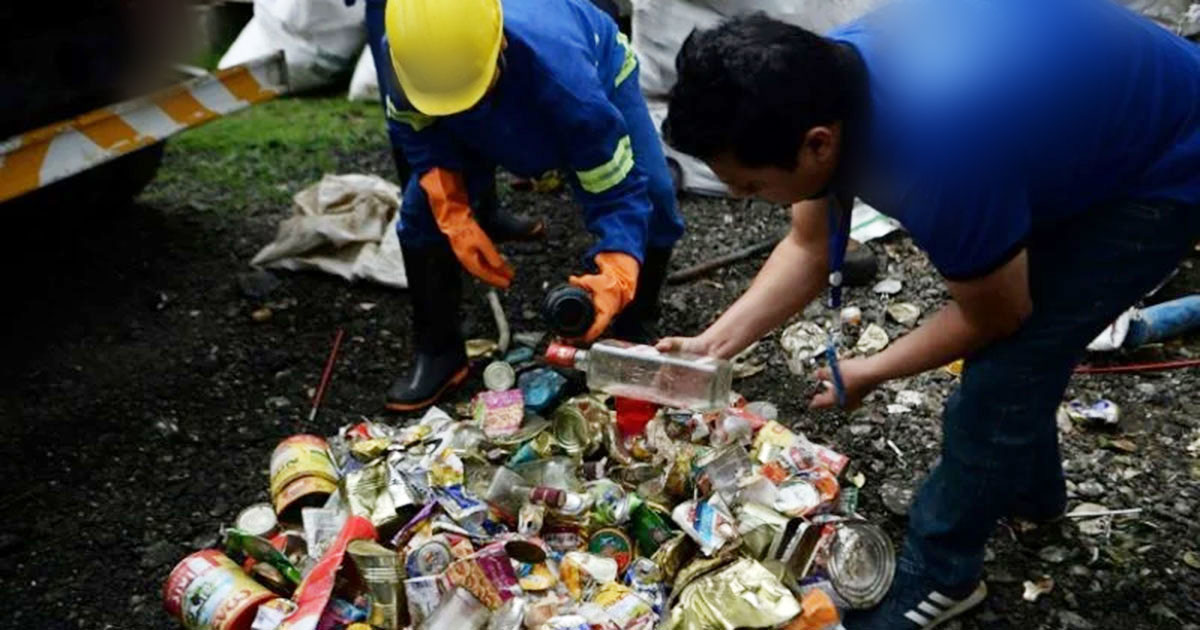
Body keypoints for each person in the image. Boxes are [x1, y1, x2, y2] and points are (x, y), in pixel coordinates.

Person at [657, 1, 1200, 627]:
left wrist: (871, 370)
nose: (745, 199)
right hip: (1077, 117)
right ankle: (1027, 490)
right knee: (1024, 353)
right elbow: (808, 245)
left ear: (818, 144)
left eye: (751, 186)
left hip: (1167, 160)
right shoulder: (819, 79)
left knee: (1004, 373)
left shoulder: (938, 151)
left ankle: (942, 572)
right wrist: (713, 345)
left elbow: (997, 316)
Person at [368, 0, 684, 412]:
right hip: (479, 110)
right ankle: (439, 352)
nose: (463, 107)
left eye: (468, 95)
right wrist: (454, 213)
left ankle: (632, 328)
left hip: (586, 74)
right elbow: (413, 129)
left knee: (654, 198)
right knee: (419, 217)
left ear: (499, 44)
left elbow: (618, 192)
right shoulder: (409, 58)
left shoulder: (570, 86)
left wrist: (618, 271)